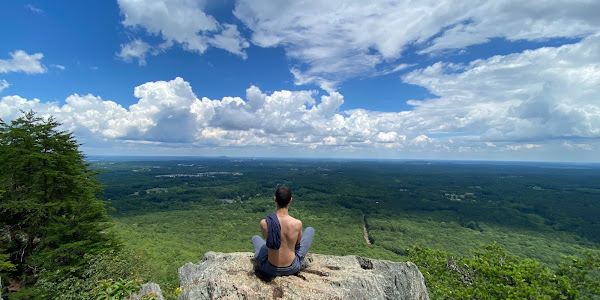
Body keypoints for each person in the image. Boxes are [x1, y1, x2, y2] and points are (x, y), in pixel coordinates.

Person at [252, 186, 314, 277]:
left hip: (270, 268)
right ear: (290, 200)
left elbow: (268, 242)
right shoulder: (297, 223)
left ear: (275, 199)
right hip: (292, 268)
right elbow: (298, 243)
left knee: (255, 238)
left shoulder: (264, 223)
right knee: (310, 230)